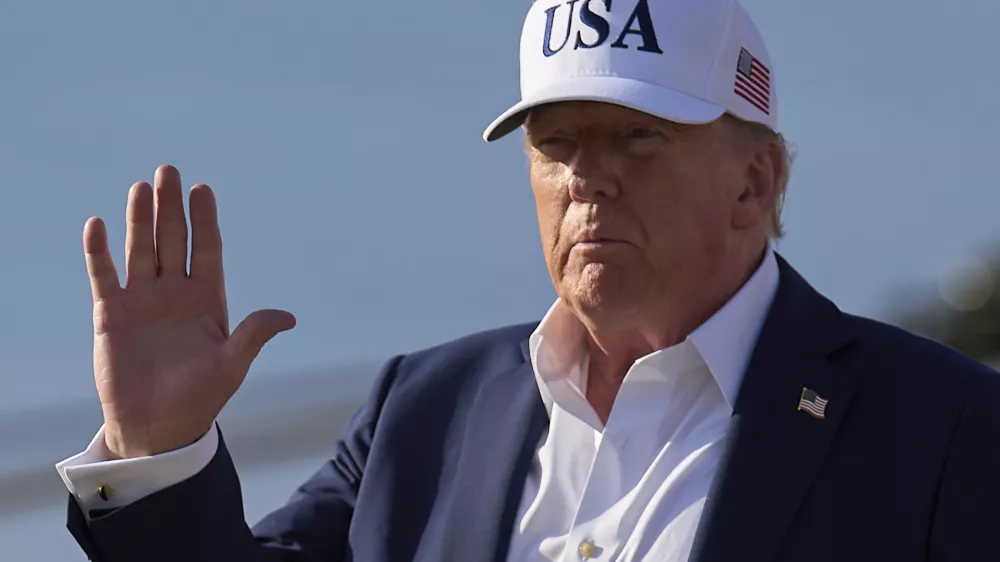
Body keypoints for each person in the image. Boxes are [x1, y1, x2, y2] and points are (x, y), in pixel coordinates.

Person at [58, 0, 1000, 560]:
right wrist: (161, 450)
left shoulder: (947, 427)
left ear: (757, 181)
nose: (588, 175)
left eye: (639, 135)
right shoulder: (420, 412)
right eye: (556, 143)